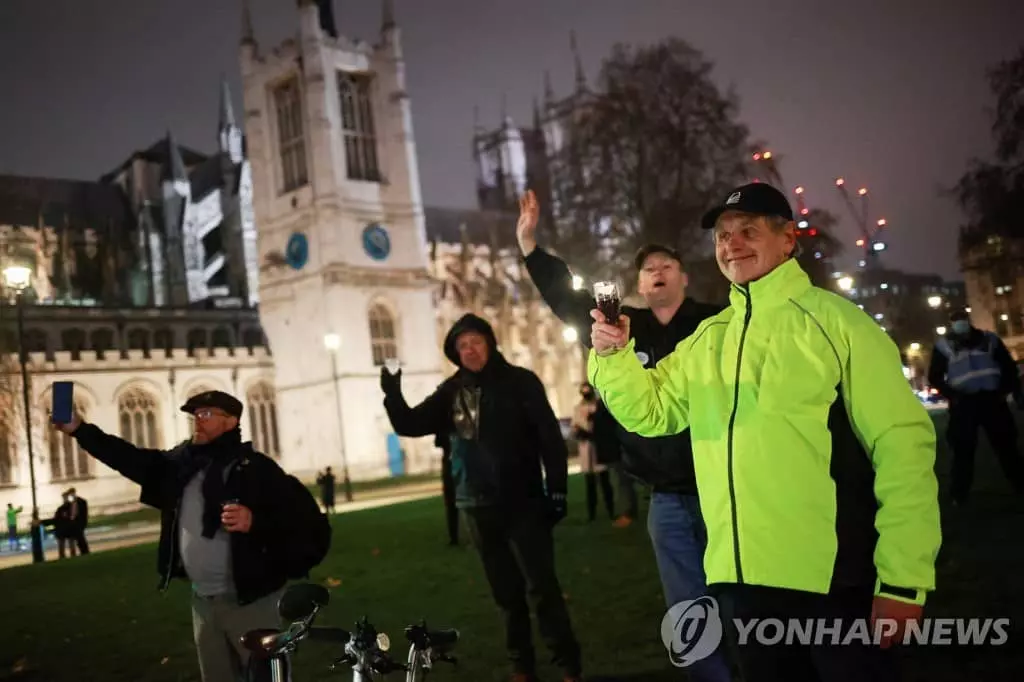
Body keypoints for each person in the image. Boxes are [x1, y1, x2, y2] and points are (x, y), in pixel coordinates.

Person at [587, 182, 941, 681]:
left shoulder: (839, 325)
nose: (732, 244)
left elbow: (905, 449)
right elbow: (651, 412)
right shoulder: (708, 339)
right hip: (742, 584)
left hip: (836, 579)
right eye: (723, 236)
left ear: (787, 240)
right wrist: (613, 356)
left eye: (748, 231)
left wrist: (904, 581)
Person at [517, 190, 730, 681]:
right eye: (648, 268)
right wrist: (530, 247)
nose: (657, 272)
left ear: (684, 277)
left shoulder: (714, 324)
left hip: (724, 487)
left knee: (743, 599)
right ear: (637, 283)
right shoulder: (624, 329)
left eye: (666, 265)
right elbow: (569, 299)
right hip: (668, 500)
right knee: (690, 610)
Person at [53, 389, 330, 682]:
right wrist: (79, 430)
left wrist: (255, 522)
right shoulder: (181, 466)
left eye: (207, 415)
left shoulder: (257, 469)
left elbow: (304, 523)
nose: (198, 421)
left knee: (265, 678)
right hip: (204, 602)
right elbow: (128, 458)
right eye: (195, 415)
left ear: (231, 421)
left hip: (251, 601)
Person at [381, 313, 582, 682]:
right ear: (455, 353)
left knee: (543, 588)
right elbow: (409, 423)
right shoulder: (451, 391)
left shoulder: (521, 382)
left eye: (475, 341)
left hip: (523, 501)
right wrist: (392, 392)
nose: (470, 350)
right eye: (462, 346)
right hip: (477, 505)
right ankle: (521, 664)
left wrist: (556, 489)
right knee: (507, 593)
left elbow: (550, 439)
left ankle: (567, 663)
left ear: (489, 342)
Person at [927, 308, 1024, 505]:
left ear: (967, 320)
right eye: (956, 319)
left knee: (1007, 448)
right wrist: (954, 395)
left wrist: (1003, 391)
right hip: (965, 403)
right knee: (963, 451)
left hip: (991, 400)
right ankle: (959, 494)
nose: (959, 322)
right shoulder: (944, 346)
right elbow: (935, 377)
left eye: (961, 318)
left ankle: (1019, 486)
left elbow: (1008, 368)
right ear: (951, 323)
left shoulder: (989, 340)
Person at [571, 383, 615, 522]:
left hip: (599, 447)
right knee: (590, 484)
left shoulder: (599, 406)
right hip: (586, 448)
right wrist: (580, 432)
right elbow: (575, 427)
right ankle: (592, 513)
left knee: (604, 482)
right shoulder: (578, 408)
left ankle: (611, 510)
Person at [435, 429, 461, 546]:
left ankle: (453, 537)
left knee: (451, 502)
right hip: (454, 460)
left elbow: (438, 442)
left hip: (450, 462)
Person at [61, 488, 90, 555]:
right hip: (74, 523)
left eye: (71, 493)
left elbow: (84, 513)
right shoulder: (72, 503)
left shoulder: (81, 501)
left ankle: (85, 551)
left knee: (81, 537)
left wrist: (83, 522)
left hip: (79, 522)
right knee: (78, 538)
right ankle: (83, 551)